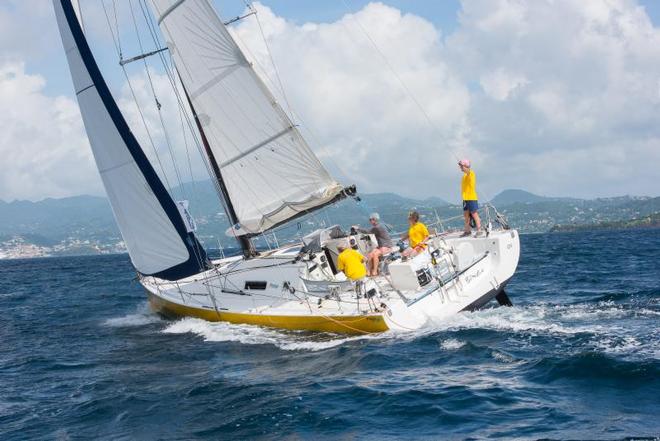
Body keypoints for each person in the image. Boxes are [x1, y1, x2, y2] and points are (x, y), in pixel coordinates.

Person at [458, 159, 482, 237]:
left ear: (466, 166)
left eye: (462, 166)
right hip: (465, 199)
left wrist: (463, 164)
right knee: (466, 215)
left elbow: (467, 171)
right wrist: (462, 164)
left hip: (471, 198)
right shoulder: (464, 176)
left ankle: (479, 230)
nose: (460, 168)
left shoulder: (471, 173)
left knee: (474, 214)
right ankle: (467, 231)